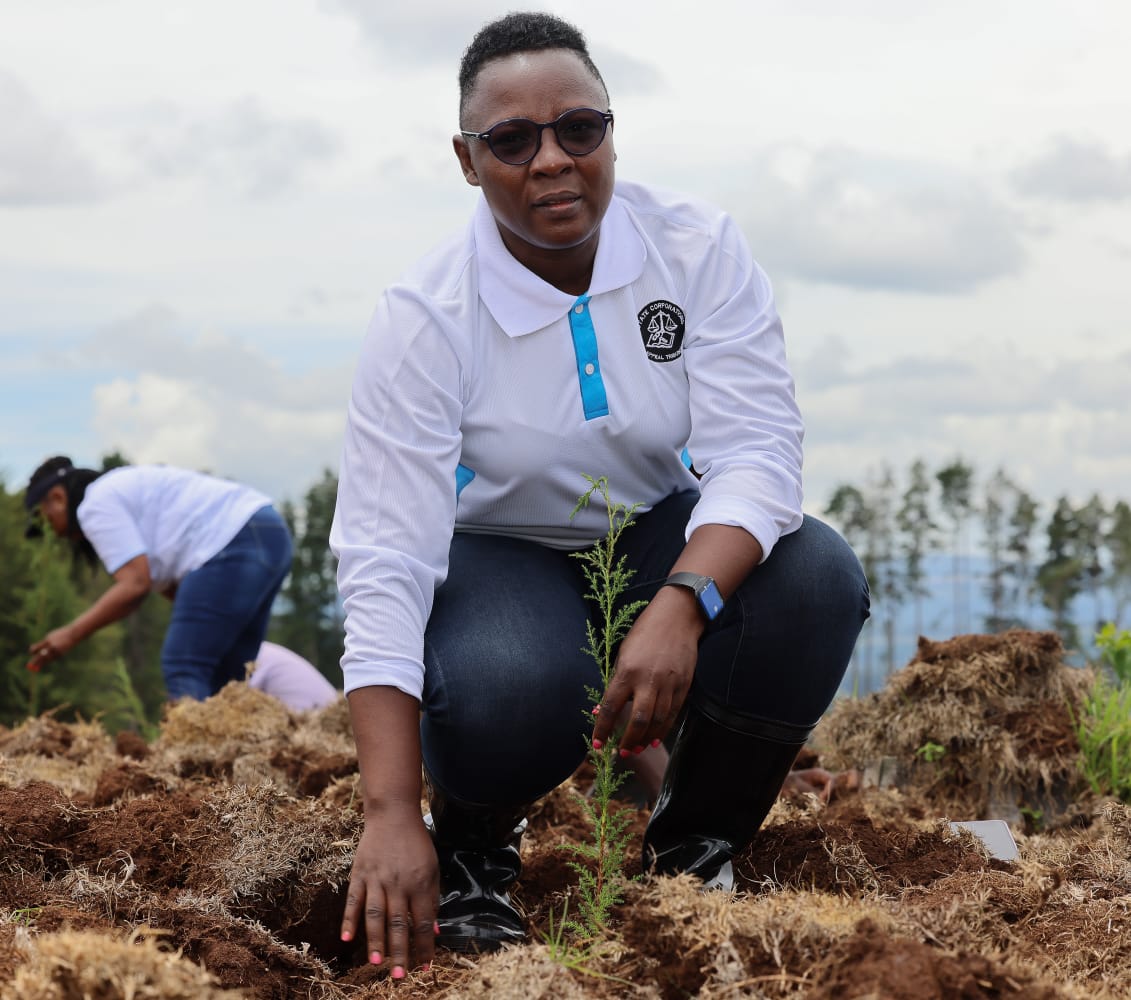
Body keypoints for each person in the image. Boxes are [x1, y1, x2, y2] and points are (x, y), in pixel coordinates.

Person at [330, 11, 870, 977]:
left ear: (611, 131)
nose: (551, 160)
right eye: (511, 140)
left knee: (813, 578)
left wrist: (682, 603)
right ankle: (474, 853)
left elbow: (757, 451)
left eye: (579, 128)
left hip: (655, 529)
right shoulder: (426, 317)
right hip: (499, 555)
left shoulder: (694, 247)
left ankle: (691, 849)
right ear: (466, 160)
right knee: (509, 681)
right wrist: (389, 812)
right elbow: (384, 559)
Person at [23, 456, 293, 701]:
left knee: (183, 664)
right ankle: (226, 740)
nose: (53, 533)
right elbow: (183, 594)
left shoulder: (94, 504)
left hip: (232, 540)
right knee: (227, 677)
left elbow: (135, 585)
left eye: (44, 520)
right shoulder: (130, 498)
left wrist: (70, 634)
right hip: (271, 533)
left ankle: (192, 740)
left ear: (57, 498)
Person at [248, 641, 340, 711]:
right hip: (328, 712)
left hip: (314, 717)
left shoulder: (254, 654)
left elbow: (243, 692)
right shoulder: (263, 650)